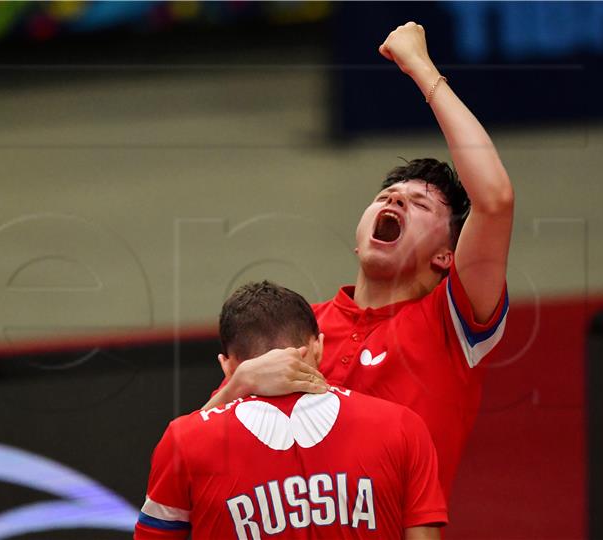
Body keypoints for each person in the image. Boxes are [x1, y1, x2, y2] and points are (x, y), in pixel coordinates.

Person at [205, 23, 514, 501]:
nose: (395, 202)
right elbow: (199, 454)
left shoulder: (452, 324)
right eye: (387, 195)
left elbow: (493, 198)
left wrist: (420, 67)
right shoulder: (302, 323)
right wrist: (236, 386)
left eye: (421, 204)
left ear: (445, 256)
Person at [135, 281, 447, 540]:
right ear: (318, 347)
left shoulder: (184, 440)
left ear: (226, 366)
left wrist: (231, 390)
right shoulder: (402, 426)